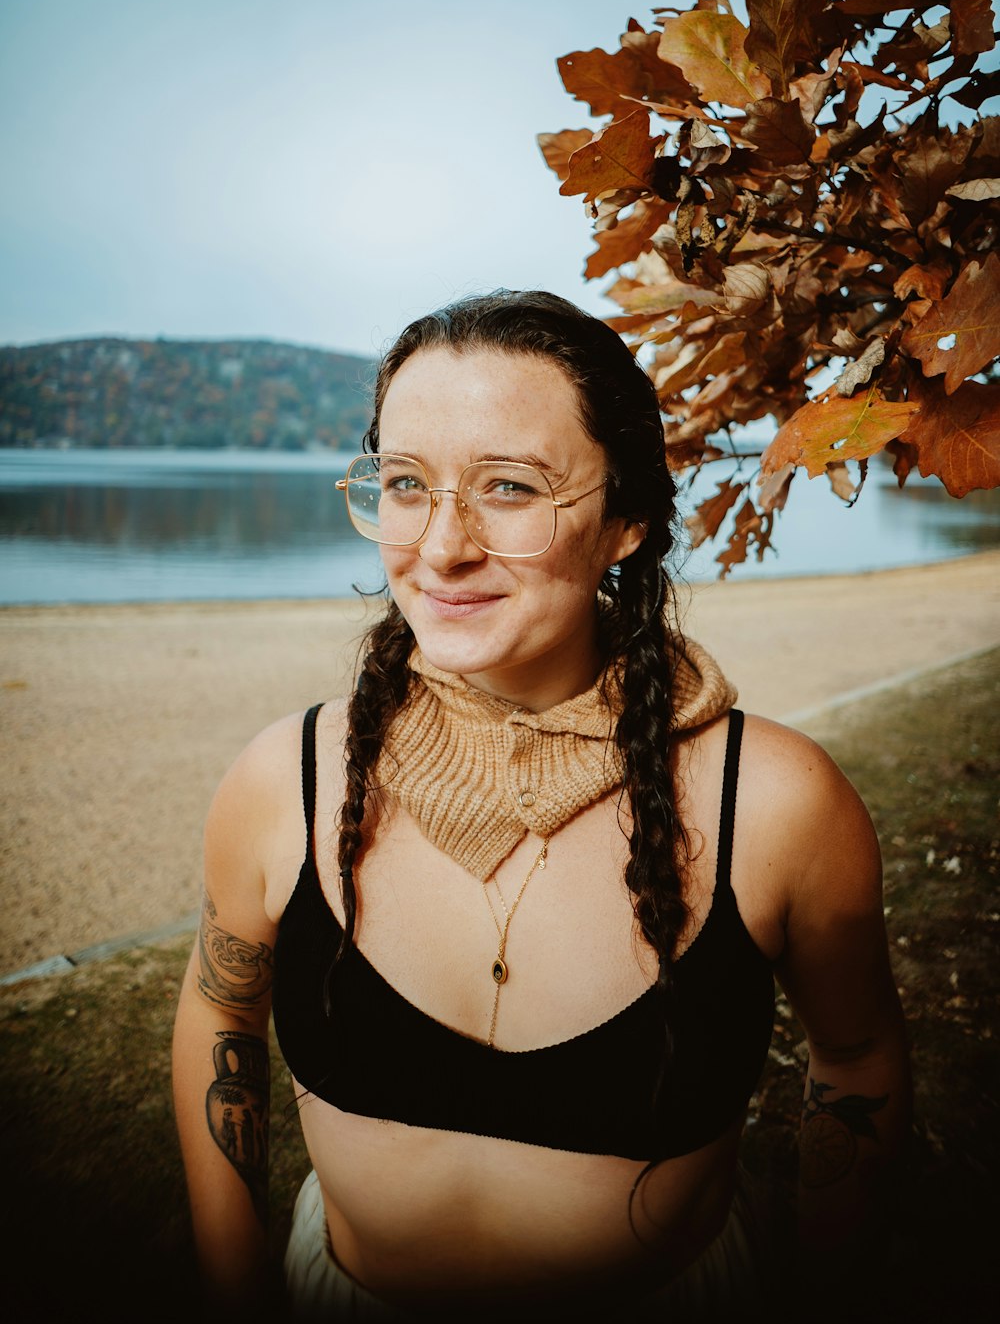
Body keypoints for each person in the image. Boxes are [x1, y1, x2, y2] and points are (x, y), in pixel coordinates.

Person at [172, 289, 910, 1320]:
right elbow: (218, 1005)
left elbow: (856, 1054)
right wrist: (233, 1282)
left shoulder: (776, 807)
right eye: (403, 484)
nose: (440, 547)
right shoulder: (288, 778)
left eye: (509, 488)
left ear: (626, 520)